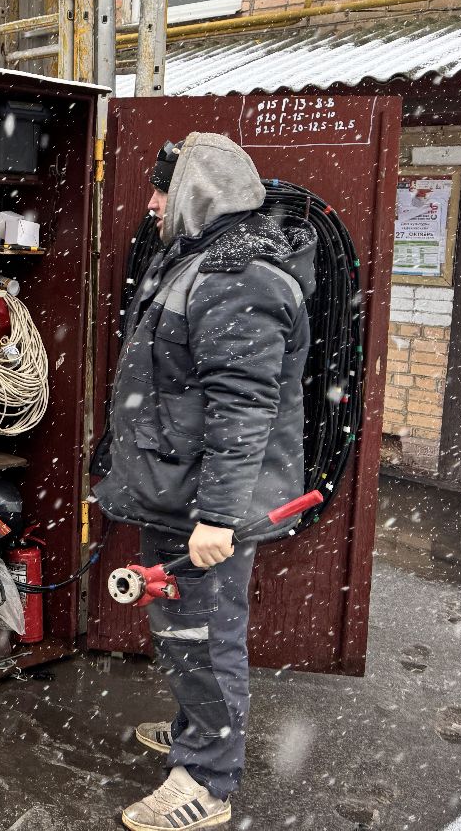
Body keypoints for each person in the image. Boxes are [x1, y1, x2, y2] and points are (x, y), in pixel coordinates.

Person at [92, 133, 316, 831]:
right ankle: (200, 729)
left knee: (205, 634)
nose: (153, 203)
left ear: (195, 190)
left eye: (164, 189)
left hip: (205, 507)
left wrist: (218, 517)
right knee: (185, 628)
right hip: (181, 493)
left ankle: (208, 779)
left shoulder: (238, 276)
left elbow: (242, 408)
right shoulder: (201, 262)